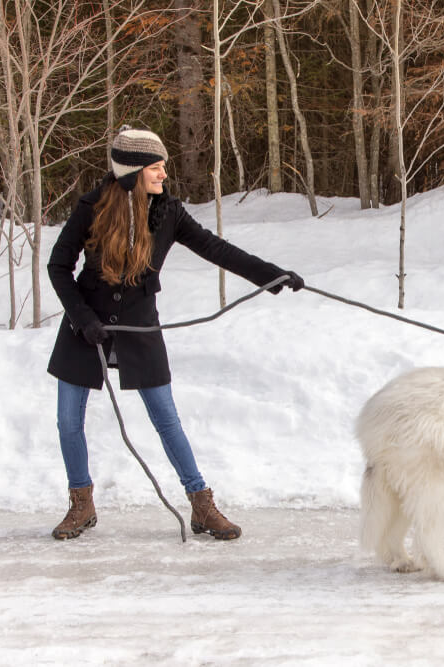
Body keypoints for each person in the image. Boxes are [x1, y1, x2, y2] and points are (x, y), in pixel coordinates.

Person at [46, 126, 304, 541]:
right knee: (67, 421)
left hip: (139, 325)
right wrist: (81, 317)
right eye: (157, 168)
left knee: (166, 418)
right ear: (132, 171)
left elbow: (216, 248)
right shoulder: (91, 207)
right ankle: (82, 503)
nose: (164, 175)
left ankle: (202, 503)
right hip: (85, 326)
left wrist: (271, 275)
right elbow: (58, 266)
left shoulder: (168, 213)